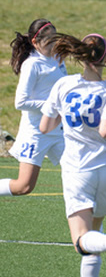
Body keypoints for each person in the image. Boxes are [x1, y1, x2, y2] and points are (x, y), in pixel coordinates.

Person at [40, 33, 106, 277]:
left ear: (80, 57)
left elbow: (45, 126)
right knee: (93, 234)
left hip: (78, 170)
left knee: (81, 240)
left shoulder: (64, 85)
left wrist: (67, 117)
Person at [0, 19, 66, 197]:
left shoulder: (58, 59)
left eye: (56, 39)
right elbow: (20, 102)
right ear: (35, 42)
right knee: (24, 186)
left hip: (59, 131)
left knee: (78, 173)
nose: (54, 44)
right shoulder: (32, 65)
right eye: (50, 41)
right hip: (36, 132)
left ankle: (87, 223)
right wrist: (50, 105)